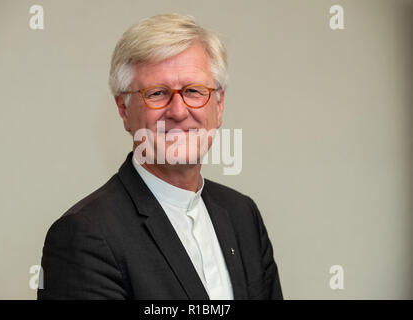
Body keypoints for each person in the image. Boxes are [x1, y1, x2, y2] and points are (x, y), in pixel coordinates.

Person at [37, 13, 282, 300]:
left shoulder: (243, 215)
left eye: (194, 91)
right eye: (157, 93)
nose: (178, 112)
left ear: (219, 104)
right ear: (124, 109)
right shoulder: (84, 236)